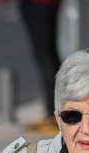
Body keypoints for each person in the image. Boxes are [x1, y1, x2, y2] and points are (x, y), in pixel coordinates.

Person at [17, 0, 62, 135]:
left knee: (45, 56)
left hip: (39, 4)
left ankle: (53, 112)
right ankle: (54, 111)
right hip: (42, 3)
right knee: (46, 55)